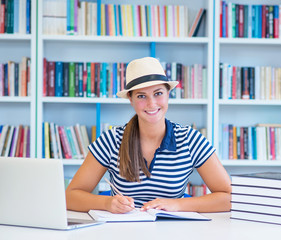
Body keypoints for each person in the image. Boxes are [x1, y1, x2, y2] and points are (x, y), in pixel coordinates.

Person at [66, 57, 232, 214]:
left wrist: (177, 204)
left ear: (168, 94)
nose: (151, 104)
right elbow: (70, 196)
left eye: (158, 93)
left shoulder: (191, 140)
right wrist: (106, 203)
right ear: (130, 99)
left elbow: (230, 197)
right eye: (141, 96)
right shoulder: (111, 141)